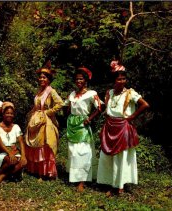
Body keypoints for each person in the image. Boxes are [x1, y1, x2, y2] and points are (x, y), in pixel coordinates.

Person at [97, 60, 150, 195]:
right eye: (119, 79)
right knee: (108, 156)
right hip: (110, 126)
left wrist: (131, 117)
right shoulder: (110, 93)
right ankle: (110, 183)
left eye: (124, 79)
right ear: (114, 80)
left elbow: (145, 105)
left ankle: (120, 185)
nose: (122, 81)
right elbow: (105, 108)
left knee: (122, 156)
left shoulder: (130, 93)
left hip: (123, 127)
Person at [64, 67, 102, 192]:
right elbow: (66, 106)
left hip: (83, 125)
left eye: (81, 79)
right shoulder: (72, 94)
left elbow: (100, 108)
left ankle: (82, 180)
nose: (78, 81)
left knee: (83, 152)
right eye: (76, 79)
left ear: (85, 80)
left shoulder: (91, 94)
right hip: (72, 125)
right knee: (73, 151)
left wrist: (89, 118)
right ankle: (74, 177)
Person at [25, 61, 63, 181]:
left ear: (48, 79)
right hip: (35, 120)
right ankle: (35, 170)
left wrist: (48, 112)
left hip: (46, 121)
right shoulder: (38, 92)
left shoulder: (51, 91)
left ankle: (45, 172)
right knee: (35, 145)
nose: (42, 79)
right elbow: (35, 106)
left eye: (44, 77)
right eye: (40, 77)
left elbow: (60, 103)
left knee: (44, 145)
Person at [0, 102, 27, 184]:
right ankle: (3, 174)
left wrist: (23, 156)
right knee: (11, 160)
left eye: (11, 113)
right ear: (3, 114)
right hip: (1, 152)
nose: (9, 115)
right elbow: (0, 143)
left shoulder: (16, 127)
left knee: (23, 162)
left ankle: (1, 176)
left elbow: (21, 141)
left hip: (14, 151)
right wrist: (10, 153)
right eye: (7, 113)